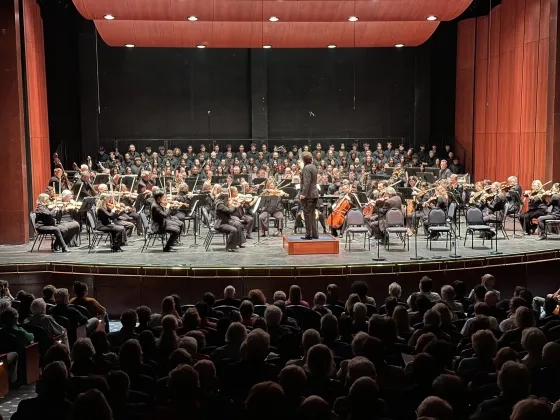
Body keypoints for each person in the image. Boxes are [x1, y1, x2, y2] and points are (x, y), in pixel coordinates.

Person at [300, 152, 319, 240]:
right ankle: (315, 234)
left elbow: (306, 183)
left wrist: (303, 194)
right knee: (312, 215)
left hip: (308, 195)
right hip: (314, 194)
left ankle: (308, 234)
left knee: (307, 214)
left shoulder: (306, 168)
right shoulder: (313, 166)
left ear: (304, 160)